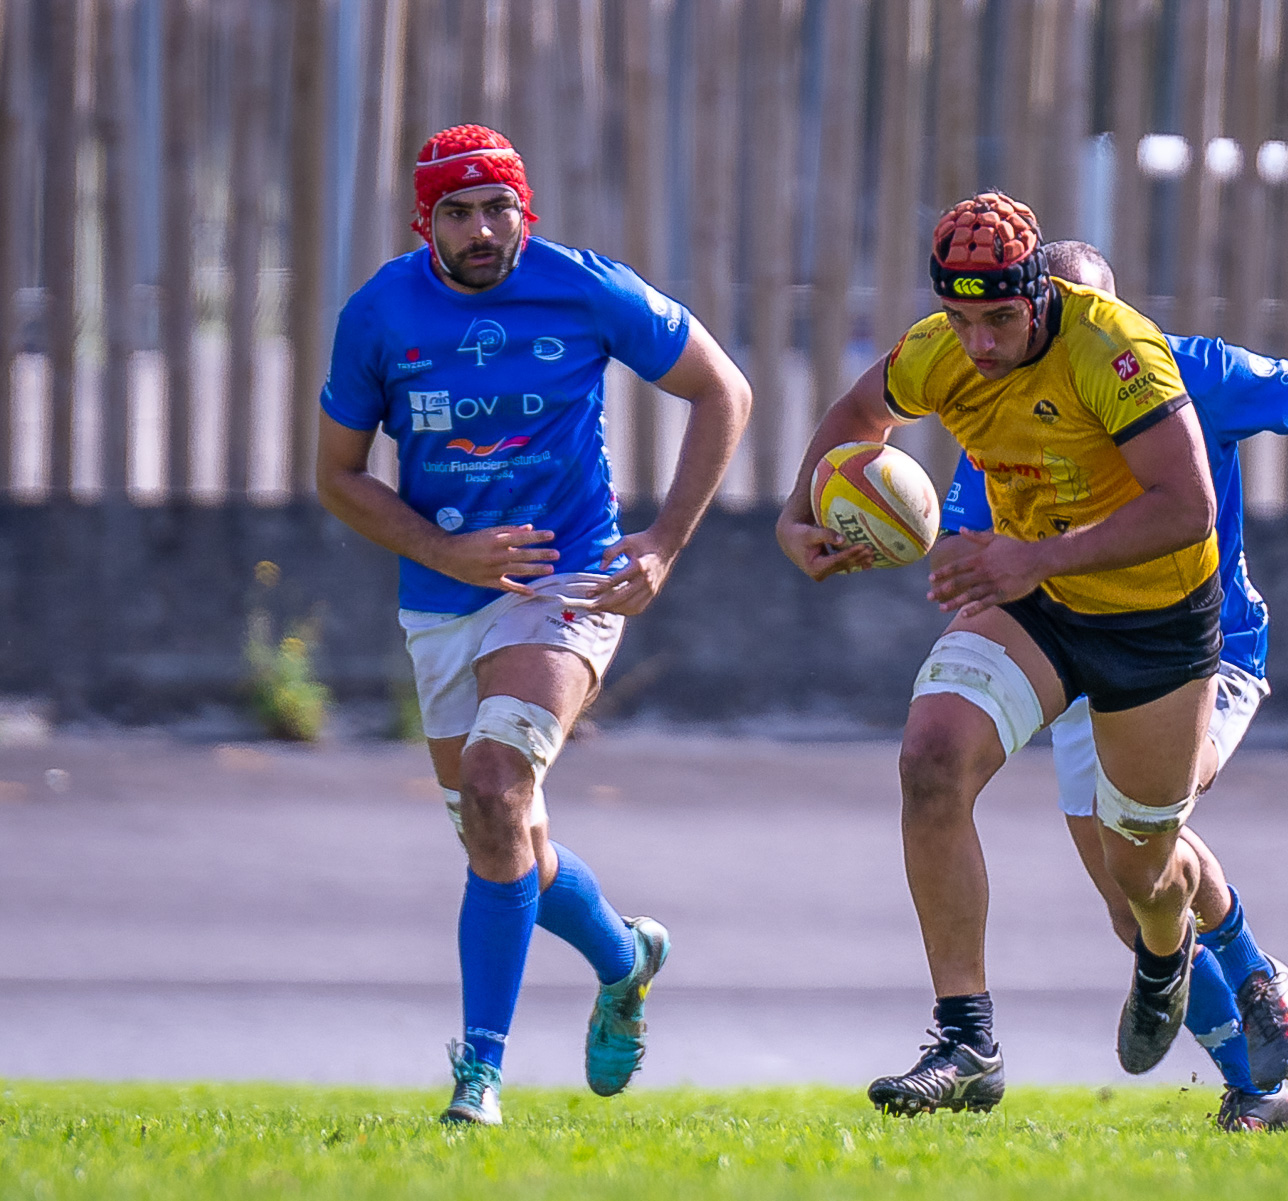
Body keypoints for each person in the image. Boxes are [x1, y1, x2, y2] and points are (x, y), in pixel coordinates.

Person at [937, 241, 1288, 1128]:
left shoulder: (1185, 373)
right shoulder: (1007, 397)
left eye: (1105, 320)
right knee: (1133, 910)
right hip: (1076, 654)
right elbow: (968, 546)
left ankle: (1250, 966)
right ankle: (1258, 1084)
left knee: (1155, 826)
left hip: (1208, 647)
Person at [316, 125, 751, 1124]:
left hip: (570, 585)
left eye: (496, 207)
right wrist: (446, 553)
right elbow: (335, 477)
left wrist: (664, 544)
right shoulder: (379, 312)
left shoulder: (585, 286)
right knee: (498, 834)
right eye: (457, 212)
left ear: (528, 210)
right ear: (424, 221)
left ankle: (480, 1074)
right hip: (442, 597)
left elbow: (723, 389)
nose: (480, 229)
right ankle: (626, 956)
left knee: (495, 782)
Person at [778, 191, 1240, 1115]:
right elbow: (860, 409)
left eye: (999, 318)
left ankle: (1163, 951)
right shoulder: (940, 349)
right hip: (1033, 600)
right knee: (931, 759)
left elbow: (1189, 505)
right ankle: (966, 1038)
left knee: (1140, 865)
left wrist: (1038, 556)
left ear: (1038, 294)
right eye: (960, 319)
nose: (979, 343)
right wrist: (798, 515)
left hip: (1153, 617)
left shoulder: (1114, 350)